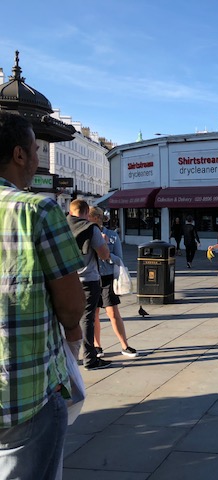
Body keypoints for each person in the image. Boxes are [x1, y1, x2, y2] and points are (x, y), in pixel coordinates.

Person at [0, 111, 85, 478]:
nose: (38, 156)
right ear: (20, 155)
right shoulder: (38, 210)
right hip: (24, 392)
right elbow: (70, 303)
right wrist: (74, 334)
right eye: (36, 148)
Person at [68, 199, 113, 370]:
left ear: (71, 212)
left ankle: (68, 359)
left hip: (66, 280)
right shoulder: (91, 228)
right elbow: (104, 254)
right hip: (88, 279)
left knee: (66, 318)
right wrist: (104, 242)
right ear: (87, 213)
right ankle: (90, 359)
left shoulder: (62, 226)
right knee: (87, 319)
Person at [88, 207, 138, 358]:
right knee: (94, 314)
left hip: (107, 277)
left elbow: (119, 259)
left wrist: (105, 251)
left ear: (96, 218)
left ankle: (125, 345)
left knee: (113, 312)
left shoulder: (112, 235)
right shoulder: (87, 234)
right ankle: (97, 346)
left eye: (88, 217)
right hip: (92, 277)